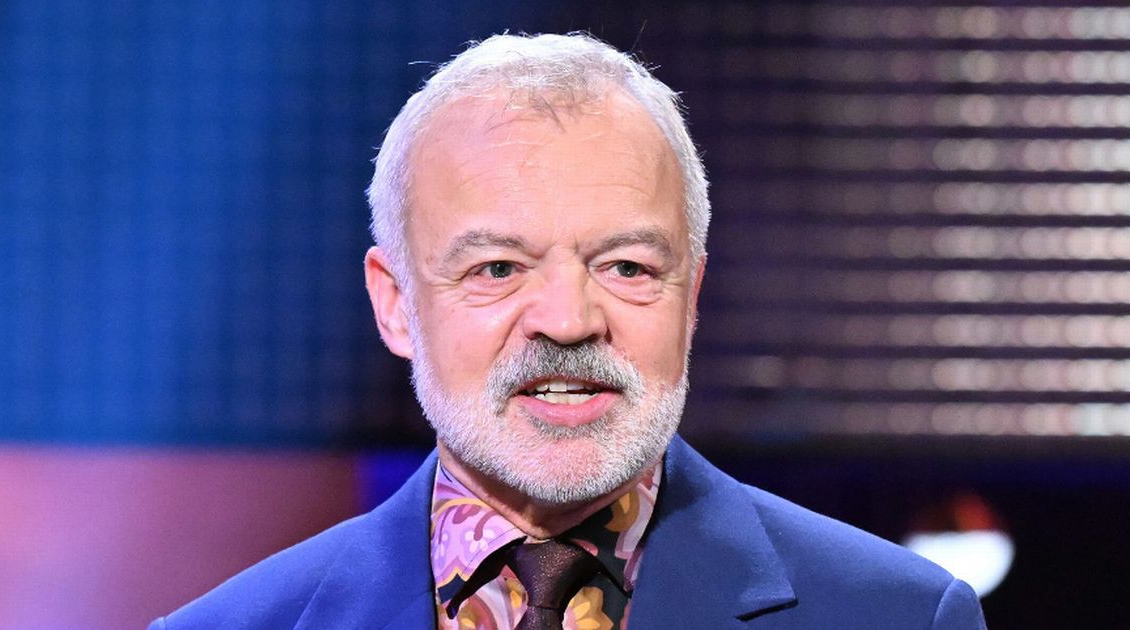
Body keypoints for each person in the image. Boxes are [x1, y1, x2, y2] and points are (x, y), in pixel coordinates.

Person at [150, 33, 987, 629]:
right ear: (396, 303)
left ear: (691, 295)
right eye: (498, 269)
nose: (568, 320)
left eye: (626, 267)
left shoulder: (898, 616)